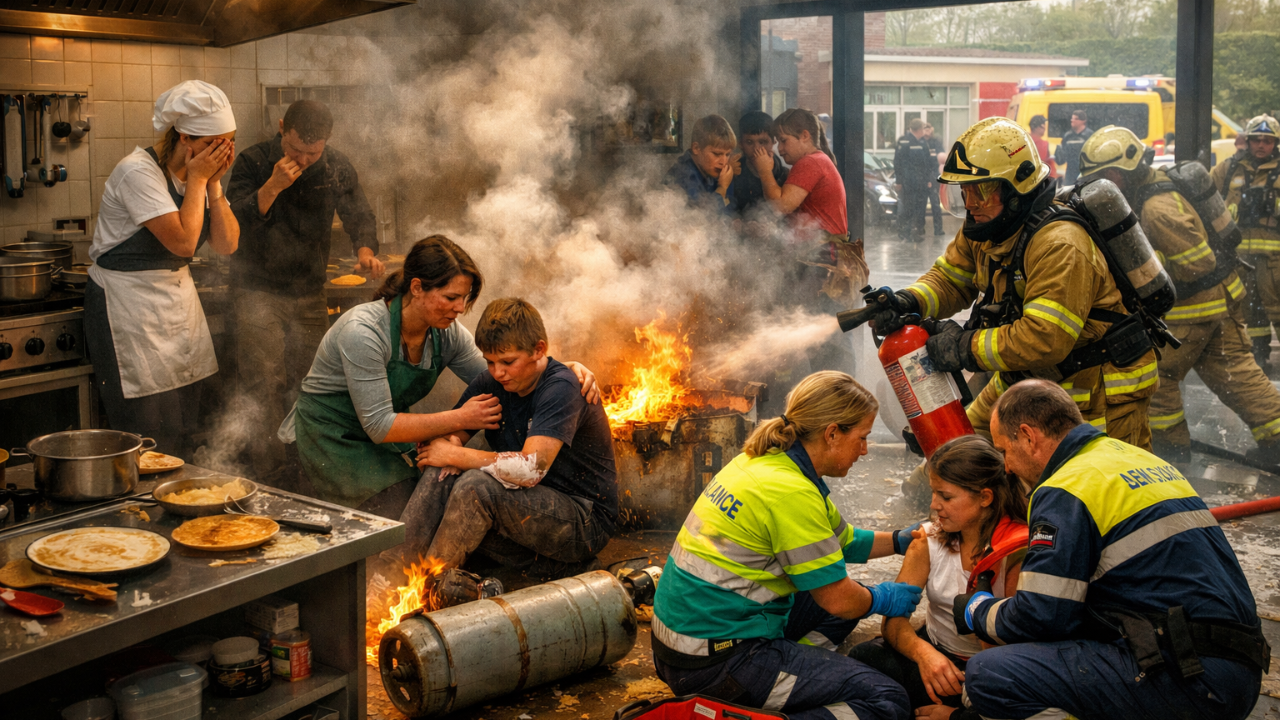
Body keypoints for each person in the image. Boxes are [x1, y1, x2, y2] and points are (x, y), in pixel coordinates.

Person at [945, 380, 1267, 720]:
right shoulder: (1135, 459)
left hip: (1193, 681)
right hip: (1236, 671)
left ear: (1028, 436)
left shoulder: (1066, 487)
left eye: (1004, 451)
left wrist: (976, 610)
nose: (1007, 467)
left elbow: (1042, 617)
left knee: (991, 676)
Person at [869, 117, 1159, 452]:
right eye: (964, 191)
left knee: (1085, 482)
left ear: (1016, 188)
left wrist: (963, 347)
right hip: (1031, 375)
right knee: (954, 457)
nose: (970, 203)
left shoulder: (1060, 244)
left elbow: (1044, 338)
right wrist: (908, 301)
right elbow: (951, 279)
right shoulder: (987, 224)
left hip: (1098, 388)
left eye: (981, 190)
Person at [651, 371, 923, 720]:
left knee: (842, 604)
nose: (865, 450)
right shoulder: (791, 493)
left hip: (680, 646)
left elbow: (843, 542)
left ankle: (790, 676)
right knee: (887, 701)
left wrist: (900, 540)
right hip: (715, 666)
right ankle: (770, 689)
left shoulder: (768, 461)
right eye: (862, 438)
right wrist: (883, 598)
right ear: (832, 434)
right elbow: (839, 599)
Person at [278, 236, 600, 513]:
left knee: (425, 494)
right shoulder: (363, 332)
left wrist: (555, 368)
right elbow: (379, 425)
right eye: (450, 298)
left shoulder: (446, 334)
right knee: (392, 512)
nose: (460, 308)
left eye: (464, 298)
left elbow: (502, 377)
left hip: (383, 436)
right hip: (332, 436)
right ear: (417, 288)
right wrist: (461, 418)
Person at [1078, 126, 1280, 465]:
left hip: (1193, 310)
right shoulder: (1156, 184)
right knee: (1238, 373)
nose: (1100, 185)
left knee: (1158, 377)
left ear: (1121, 171)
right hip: (1220, 301)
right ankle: (1277, 439)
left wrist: (1143, 265)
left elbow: (1198, 263)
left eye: (1103, 176)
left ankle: (1170, 451)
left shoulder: (1157, 209)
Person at [411, 298, 618, 594]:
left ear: (539, 350)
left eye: (508, 362)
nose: (498, 372)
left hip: (582, 521)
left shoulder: (561, 387)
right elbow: (443, 444)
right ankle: (388, 580)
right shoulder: (492, 383)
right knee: (440, 472)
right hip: (524, 509)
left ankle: (427, 593)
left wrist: (456, 453)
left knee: (476, 487)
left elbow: (530, 469)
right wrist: (452, 442)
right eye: (490, 362)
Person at [227, 99, 384, 486]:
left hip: (310, 291)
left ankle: (311, 470)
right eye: (296, 149)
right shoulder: (253, 161)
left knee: (315, 381)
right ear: (282, 127)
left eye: (312, 153)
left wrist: (365, 250)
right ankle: (270, 475)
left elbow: (359, 212)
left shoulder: (334, 165)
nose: (303, 159)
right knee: (264, 381)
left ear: (326, 142)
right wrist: (273, 186)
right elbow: (232, 225)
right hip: (257, 289)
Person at [84, 80, 238, 459]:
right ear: (185, 138)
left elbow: (227, 244)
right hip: (129, 307)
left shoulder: (201, 176)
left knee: (185, 425)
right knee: (148, 431)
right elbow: (184, 243)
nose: (222, 153)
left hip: (177, 303)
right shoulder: (137, 172)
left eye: (229, 143)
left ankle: (182, 492)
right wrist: (199, 179)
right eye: (213, 144)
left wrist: (213, 185)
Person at [848, 435, 1027, 711]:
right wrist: (925, 655)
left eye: (945, 496)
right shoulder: (928, 538)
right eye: (933, 493)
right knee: (864, 657)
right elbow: (893, 622)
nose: (933, 505)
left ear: (985, 497)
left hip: (992, 668)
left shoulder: (1016, 553)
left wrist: (958, 715)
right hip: (936, 651)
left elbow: (1015, 647)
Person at [1212, 114, 1280, 366]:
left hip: (1275, 259)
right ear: (1247, 141)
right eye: (1256, 139)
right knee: (1248, 310)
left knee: (1277, 308)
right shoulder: (1229, 168)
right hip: (1240, 257)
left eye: (1267, 140)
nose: (1261, 145)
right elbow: (1203, 193)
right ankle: (1257, 356)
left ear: (1275, 144)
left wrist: (1272, 206)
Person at [665, 114, 736, 211]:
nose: (723, 162)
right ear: (696, 148)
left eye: (727, 154)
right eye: (717, 154)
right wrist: (722, 188)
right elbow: (703, 216)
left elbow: (730, 208)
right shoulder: (683, 175)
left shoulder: (711, 169)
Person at [730, 110, 789, 218]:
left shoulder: (785, 175)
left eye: (762, 142)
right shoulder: (733, 173)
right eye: (749, 142)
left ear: (774, 142)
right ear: (740, 144)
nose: (756, 149)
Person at [893, 119, 933, 242]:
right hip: (908, 182)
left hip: (919, 183)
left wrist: (928, 180)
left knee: (918, 209)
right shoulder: (904, 141)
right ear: (919, 129)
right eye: (923, 129)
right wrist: (899, 181)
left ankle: (914, 233)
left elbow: (926, 163)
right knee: (907, 208)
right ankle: (905, 233)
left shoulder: (922, 142)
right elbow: (898, 163)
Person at [919, 123, 946, 237]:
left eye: (928, 129)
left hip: (934, 176)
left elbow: (941, 159)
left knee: (935, 204)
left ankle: (938, 229)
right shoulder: (919, 142)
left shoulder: (936, 142)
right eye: (925, 129)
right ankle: (920, 228)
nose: (927, 131)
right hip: (922, 177)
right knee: (921, 205)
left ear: (932, 130)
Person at [1053, 108, 1092, 185]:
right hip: (1070, 174)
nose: (1072, 120)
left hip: (1085, 172)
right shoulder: (1068, 136)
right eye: (1072, 118)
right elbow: (1062, 156)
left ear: (1083, 121)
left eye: (1076, 119)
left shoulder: (1089, 135)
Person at [1027, 115, 1056, 180]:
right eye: (1043, 126)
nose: (1045, 129)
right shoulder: (1043, 144)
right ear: (1037, 128)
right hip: (1043, 179)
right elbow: (1043, 164)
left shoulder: (1024, 140)